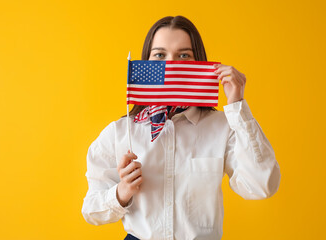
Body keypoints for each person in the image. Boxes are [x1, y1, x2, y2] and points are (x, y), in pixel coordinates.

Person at [81, 15, 281, 240]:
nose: (171, 65)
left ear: (199, 63)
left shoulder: (223, 127)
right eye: (159, 55)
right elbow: (91, 210)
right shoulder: (119, 132)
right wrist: (121, 193)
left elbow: (262, 185)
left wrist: (237, 106)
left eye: (184, 55)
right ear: (146, 63)